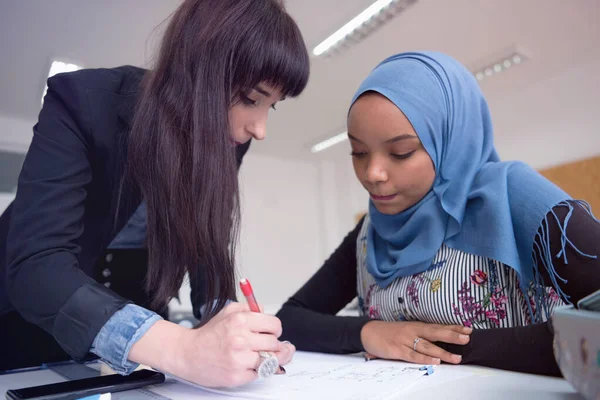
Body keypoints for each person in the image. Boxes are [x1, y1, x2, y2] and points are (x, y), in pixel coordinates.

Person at [0, 0, 309, 388]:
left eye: (271, 106)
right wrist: (181, 348)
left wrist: (232, 325)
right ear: (195, 67)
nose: (259, 129)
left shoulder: (230, 140)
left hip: (143, 342)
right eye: (250, 98)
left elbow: (206, 248)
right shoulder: (84, 101)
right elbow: (36, 266)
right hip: (26, 333)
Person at [277, 51, 600, 376]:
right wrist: (369, 332)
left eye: (400, 153)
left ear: (449, 141)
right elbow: (291, 319)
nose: (373, 173)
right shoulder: (372, 231)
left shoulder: (512, 194)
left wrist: (450, 346)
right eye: (359, 152)